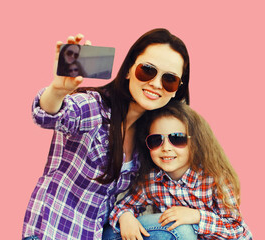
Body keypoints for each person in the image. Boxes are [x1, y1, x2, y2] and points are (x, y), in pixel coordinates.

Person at [22, 28, 191, 240]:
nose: (156, 84)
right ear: (129, 70)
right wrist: (58, 89)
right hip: (54, 232)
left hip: (100, 233)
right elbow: (48, 115)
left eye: (169, 79)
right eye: (147, 70)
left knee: (180, 230)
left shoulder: (153, 137)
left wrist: (126, 214)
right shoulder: (94, 107)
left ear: (176, 89)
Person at [106, 101, 253, 240]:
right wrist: (125, 216)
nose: (166, 148)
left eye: (177, 138)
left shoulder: (216, 178)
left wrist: (197, 216)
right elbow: (125, 205)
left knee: (183, 228)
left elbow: (237, 230)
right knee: (179, 228)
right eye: (156, 140)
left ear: (196, 142)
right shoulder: (153, 180)